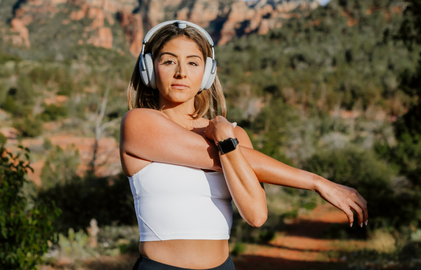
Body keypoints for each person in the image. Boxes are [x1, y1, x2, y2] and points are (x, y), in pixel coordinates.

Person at [120, 20, 368, 270]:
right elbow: (215, 156)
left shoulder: (235, 134)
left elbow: (256, 216)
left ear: (207, 73)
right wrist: (318, 183)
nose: (181, 72)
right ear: (149, 69)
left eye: (193, 62)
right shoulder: (139, 123)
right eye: (169, 61)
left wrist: (228, 139)